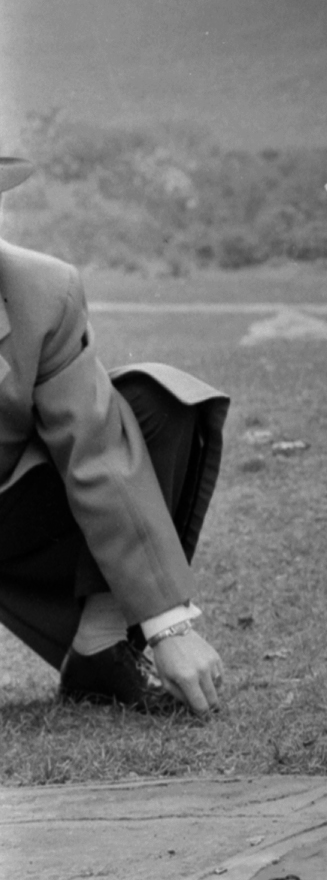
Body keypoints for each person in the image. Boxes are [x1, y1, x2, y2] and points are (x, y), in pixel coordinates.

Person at [0, 159, 229, 715]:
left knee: (157, 401)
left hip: (10, 511)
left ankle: (101, 650)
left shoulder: (44, 289)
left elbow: (97, 450)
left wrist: (169, 628)